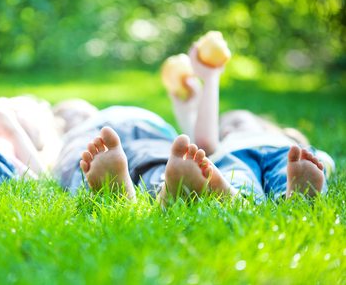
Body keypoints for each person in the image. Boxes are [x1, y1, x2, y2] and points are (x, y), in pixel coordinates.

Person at [53, 43, 333, 206]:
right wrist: (192, 100)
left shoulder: (286, 141)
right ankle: (232, 198)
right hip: (229, 159)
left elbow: (320, 159)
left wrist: (316, 162)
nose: (228, 127)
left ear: (269, 125)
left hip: (281, 156)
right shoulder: (223, 148)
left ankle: (296, 195)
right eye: (225, 125)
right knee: (231, 173)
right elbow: (195, 142)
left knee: (291, 167)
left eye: (236, 120)